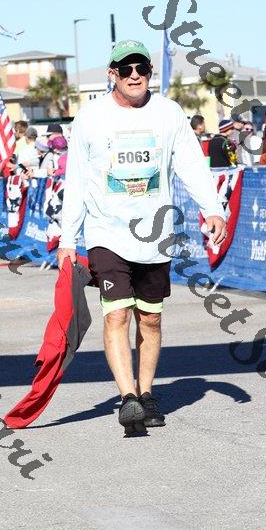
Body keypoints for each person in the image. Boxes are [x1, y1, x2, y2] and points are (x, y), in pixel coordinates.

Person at [57, 39, 226, 435]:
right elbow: (76, 180)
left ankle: (147, 393)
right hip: (106, 232)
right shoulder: (91, 117)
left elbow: (190, 163)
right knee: (116, 313)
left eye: (141, 68)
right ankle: (128, 397)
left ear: (149, 71)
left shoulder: (168, 113)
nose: (134, 76)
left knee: (150, 319)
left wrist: (212, 207)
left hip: (155, 234)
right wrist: (68, 239)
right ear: (112, 74)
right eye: (126, 69)